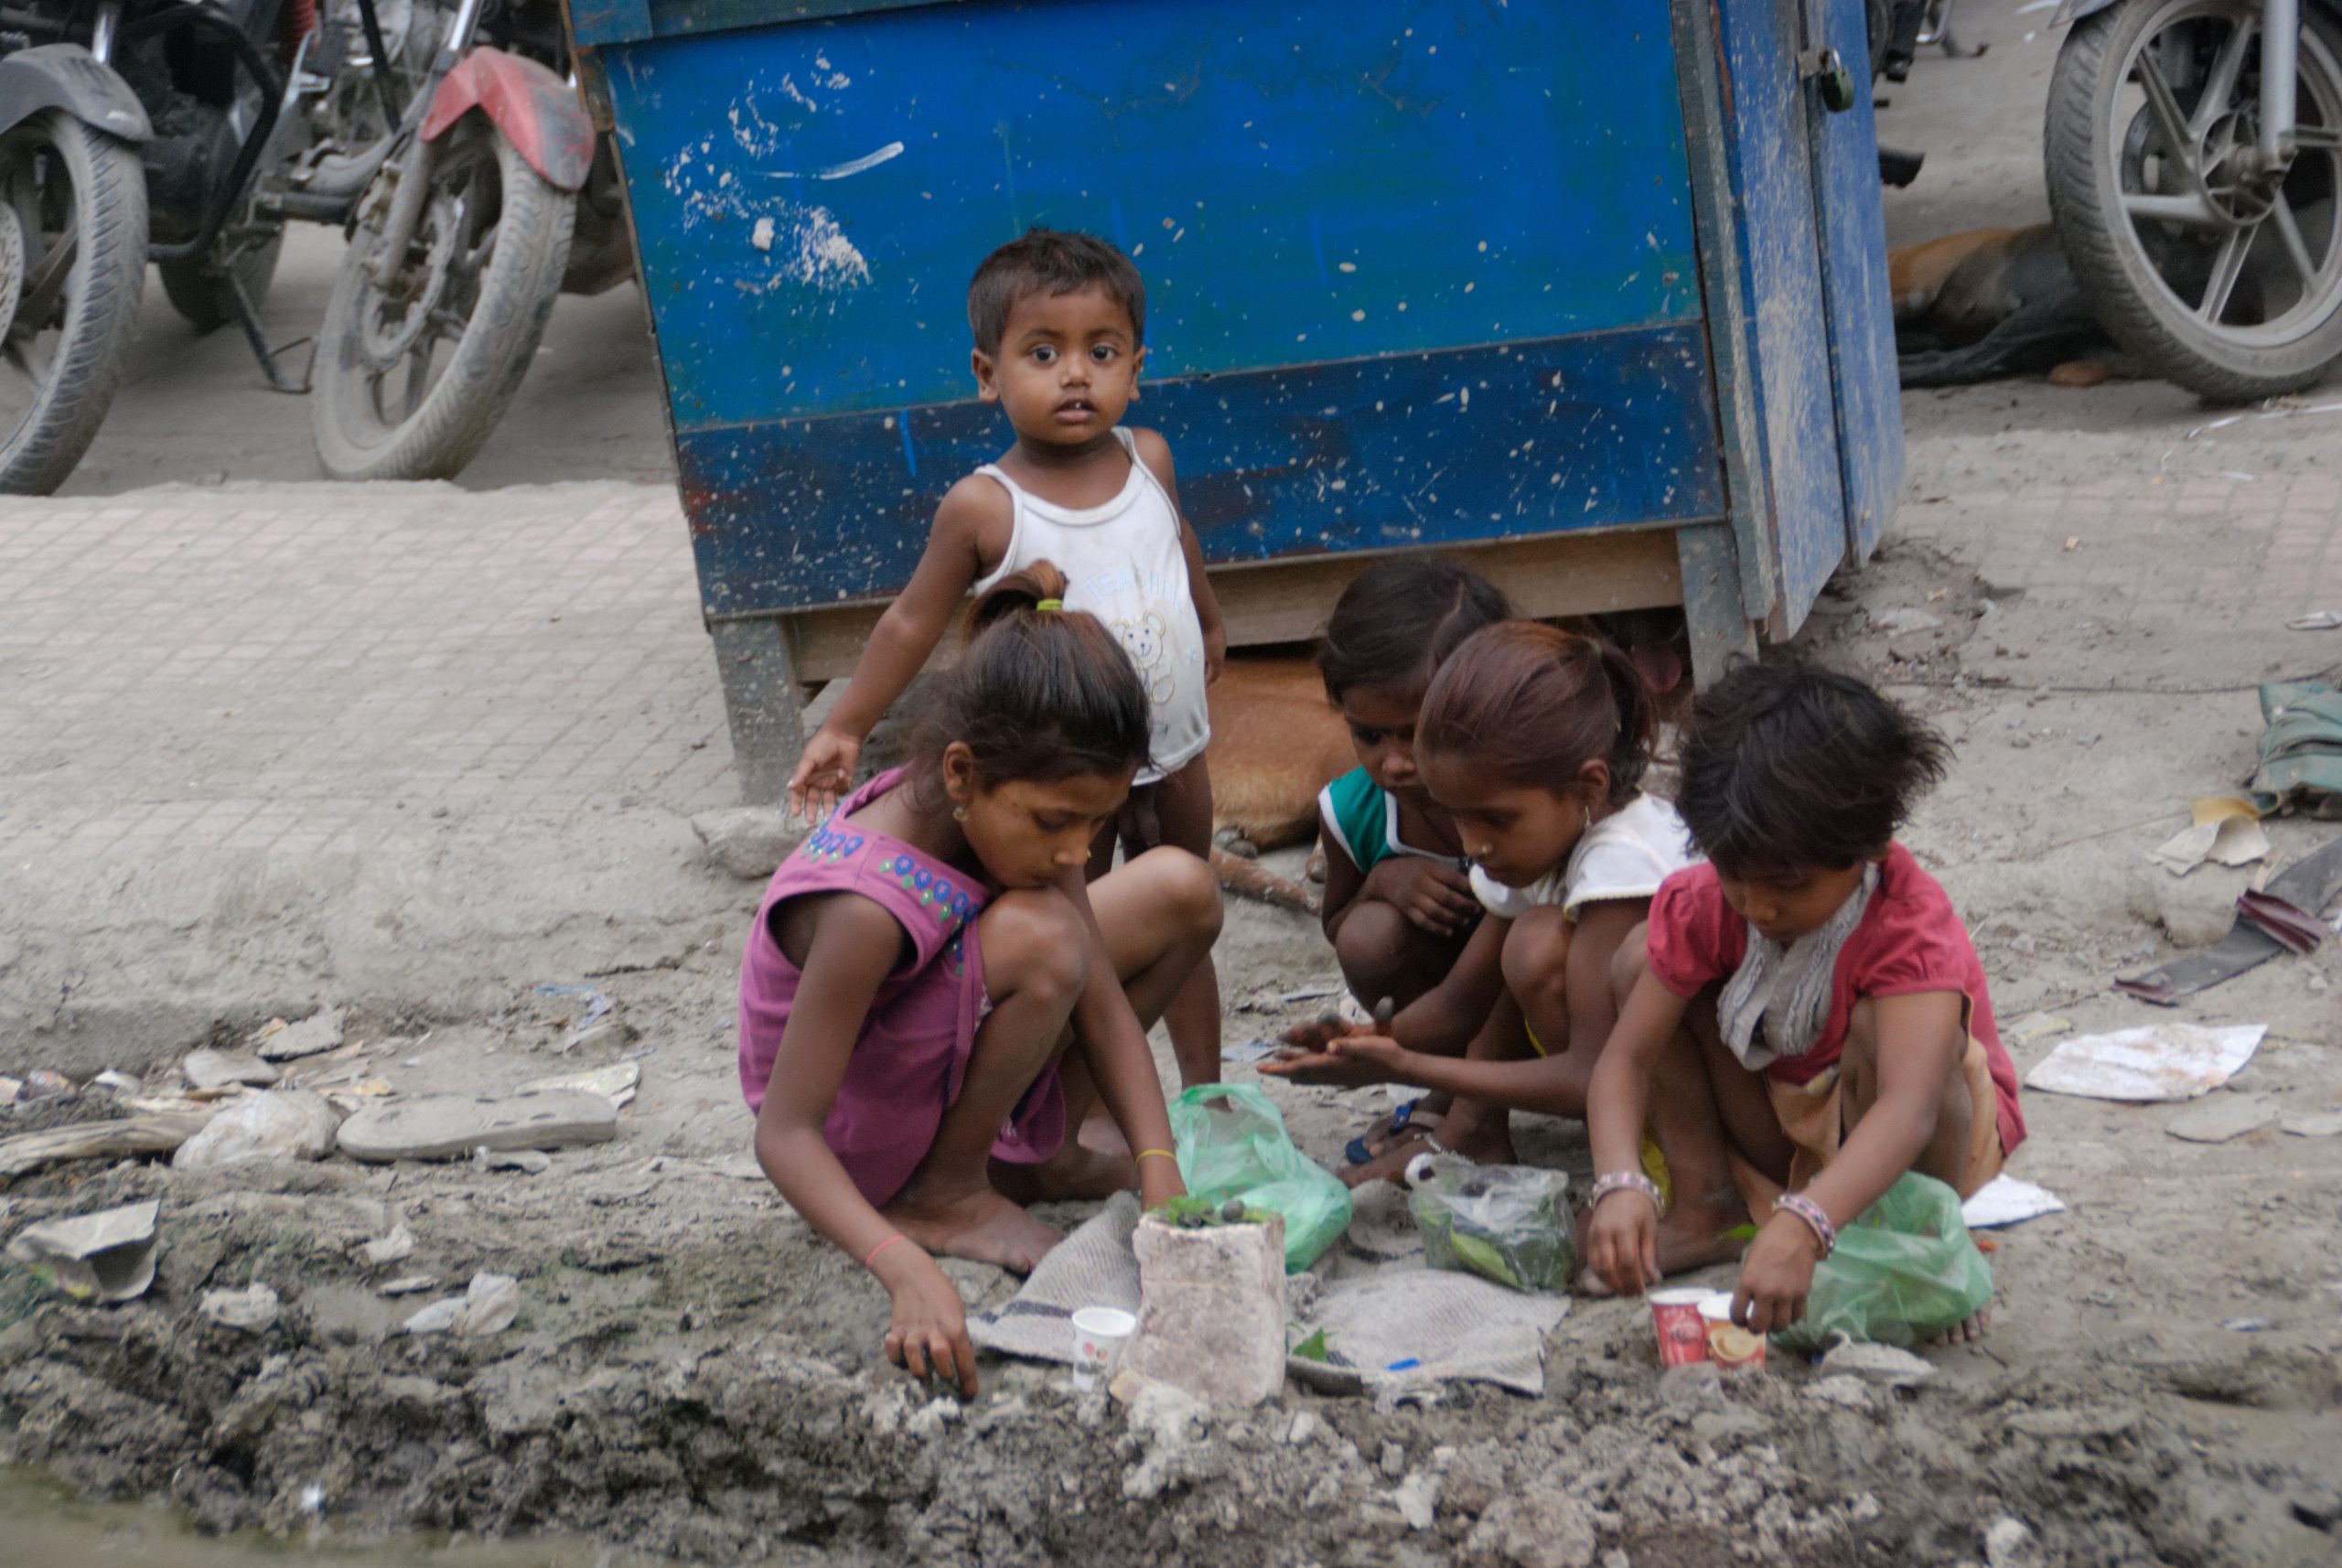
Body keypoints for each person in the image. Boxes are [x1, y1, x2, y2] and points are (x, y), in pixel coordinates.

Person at [744, 565, 1220, 1396]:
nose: (1078, 849)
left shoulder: (1006, 813)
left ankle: (1045, 1160)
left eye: (1096, 821)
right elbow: (784, 1133)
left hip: (930, 1053)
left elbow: (1105, 1009)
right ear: (961, 774)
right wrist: (901, 1267)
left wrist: (1160, 1168)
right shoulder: (864, 910)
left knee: (1183, 889)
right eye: (1058, 822)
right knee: (1046, 939)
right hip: (852, 1142)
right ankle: (944, 1194)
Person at [785, 229, 1228, 1091]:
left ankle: (1208, 1093)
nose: (1076, 375)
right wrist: (845, 725)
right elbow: (911, 623)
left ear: (1138, 368)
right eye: (1043, 353)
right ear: (987, 374)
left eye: (1102, 352)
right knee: (1081, 932)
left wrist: (1209, 625)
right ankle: (1079, 1103)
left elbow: (1181, 550)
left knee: (1189, 914)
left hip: (1178, 753)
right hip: (1063, 769)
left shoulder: (1150, 458)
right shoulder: (986, 507)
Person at [1580, 663, 2025, 1338]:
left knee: (1894, 1034)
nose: (1759, 907)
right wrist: (1619, 1181)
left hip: (1916, 1128)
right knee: (1642, 960)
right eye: (1736, 877)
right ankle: (1709, 1206)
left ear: (1868, 848)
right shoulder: (1710, 903)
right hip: (1795, 1114)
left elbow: (1910, 1108)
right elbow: (1625, 1061)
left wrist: (1806, 1224)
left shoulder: (1907, 924)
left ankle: (1918, 1253)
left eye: (1788, 885)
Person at [1267, 623, 1695, 1186]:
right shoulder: (1547, 839)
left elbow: (1593, 1074)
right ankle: (1471, 1134)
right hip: (1626, 1078)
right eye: (1456, 816)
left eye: (1494, 818)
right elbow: (1460, 1003)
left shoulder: (1623, 865)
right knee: (1528, 938)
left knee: (1534, 944)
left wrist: (1409, 1065)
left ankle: (1690, 1180)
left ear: (1590, 786)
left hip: (1713, 1103)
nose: (1473, 845)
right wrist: (1362, 1044)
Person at [1306, 557, 1511, 1162]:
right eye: (1368, 736)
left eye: (1416, 733)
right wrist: (1379, 883)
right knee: (1368, 936)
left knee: (1527, 944)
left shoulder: (1524, 795)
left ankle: (1474, 1111)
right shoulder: (1352, 812)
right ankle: (1452, 1090)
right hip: (1446, 1012)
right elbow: (1338, 925)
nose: (1394, 762)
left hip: (1544, 1011)